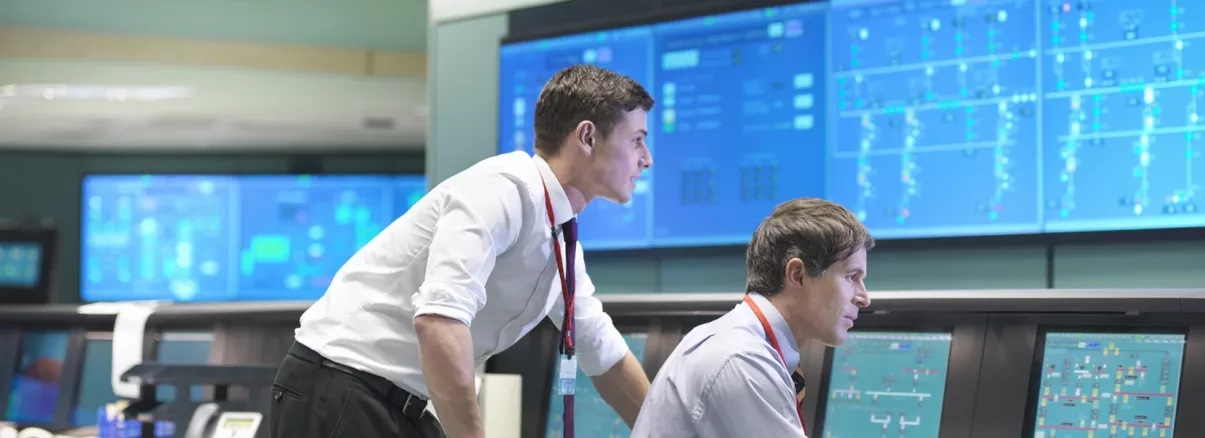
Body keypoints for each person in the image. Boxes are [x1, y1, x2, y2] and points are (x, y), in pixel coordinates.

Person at [267, 64, 656, 438]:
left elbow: (604, 356)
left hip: (395, 401)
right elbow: (438, 323)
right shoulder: (501, 191)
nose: (646, 159)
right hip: (339, 385)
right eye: (637, 139)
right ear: (587, 137)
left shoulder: (559, 238)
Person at [631, 198, 874, 437]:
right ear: (798, 275)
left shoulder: (741, 343)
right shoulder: (742, 359)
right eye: (851, 277)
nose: (864, 298)